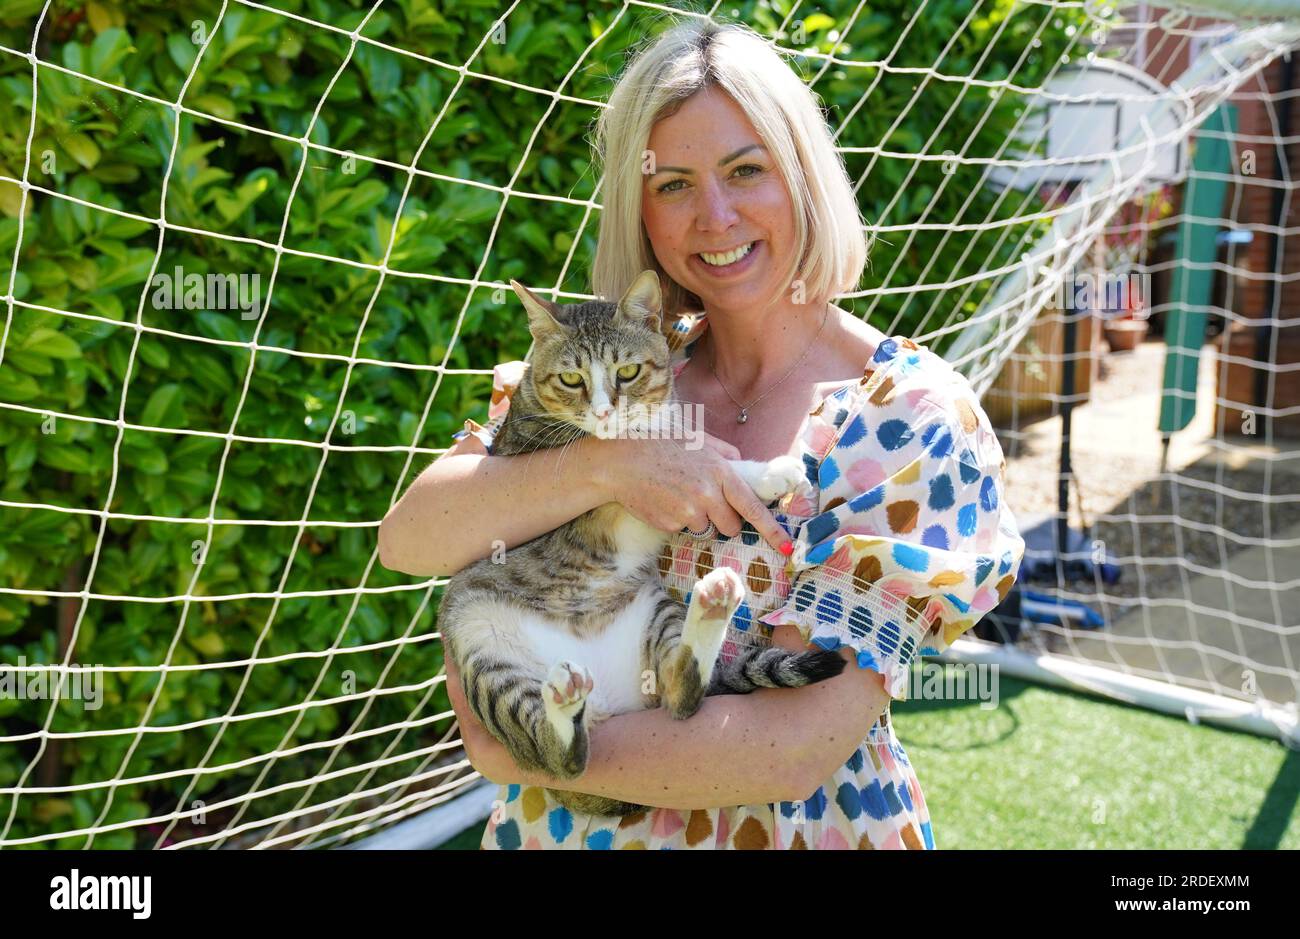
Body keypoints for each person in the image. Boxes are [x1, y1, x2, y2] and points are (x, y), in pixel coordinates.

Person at [379, 18, 1025, 850]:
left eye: (746, 170)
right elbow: (411, 538)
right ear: (639, 208)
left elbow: (790, 747)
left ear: (803, 177)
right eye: (674, 183)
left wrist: (525, 752)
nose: (714, 217)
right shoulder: (612, 375)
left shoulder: (907, 415)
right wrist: (612, 463)